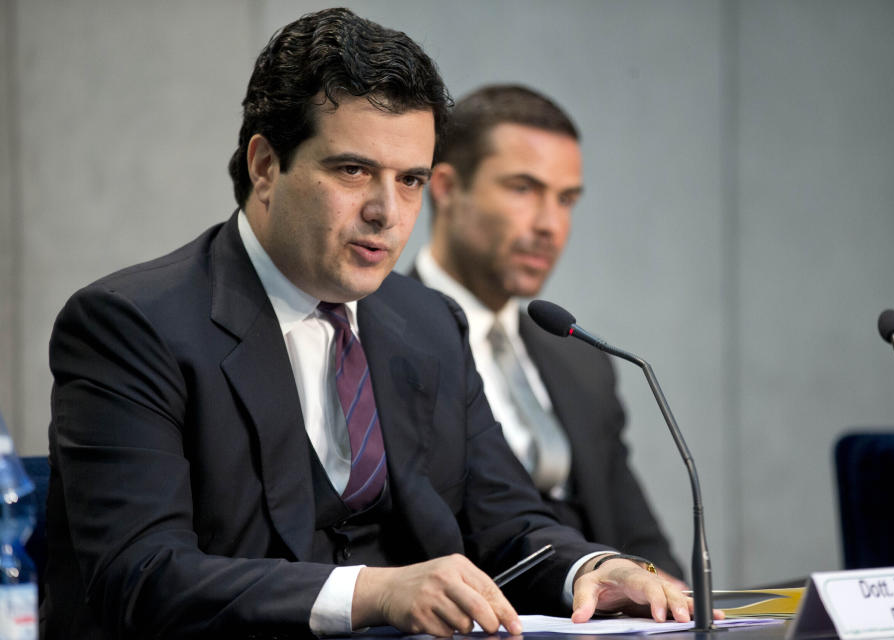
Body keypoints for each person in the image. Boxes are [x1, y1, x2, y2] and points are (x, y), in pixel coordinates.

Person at [45, 9, 712, 639]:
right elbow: (140, 576)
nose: (387, 213)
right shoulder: (132, 325)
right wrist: (371, 591)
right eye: (354, 170)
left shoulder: (425, 322)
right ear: (266, 166)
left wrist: (594, 568)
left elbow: (507, 520)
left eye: (411, 180)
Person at [416, 84, 685, 585]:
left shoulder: (580, 360)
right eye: (524, 189)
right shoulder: (377, 339)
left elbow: (639, 537)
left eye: (566, 200)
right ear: (447, 187)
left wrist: (676, 604)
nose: (550, 225)